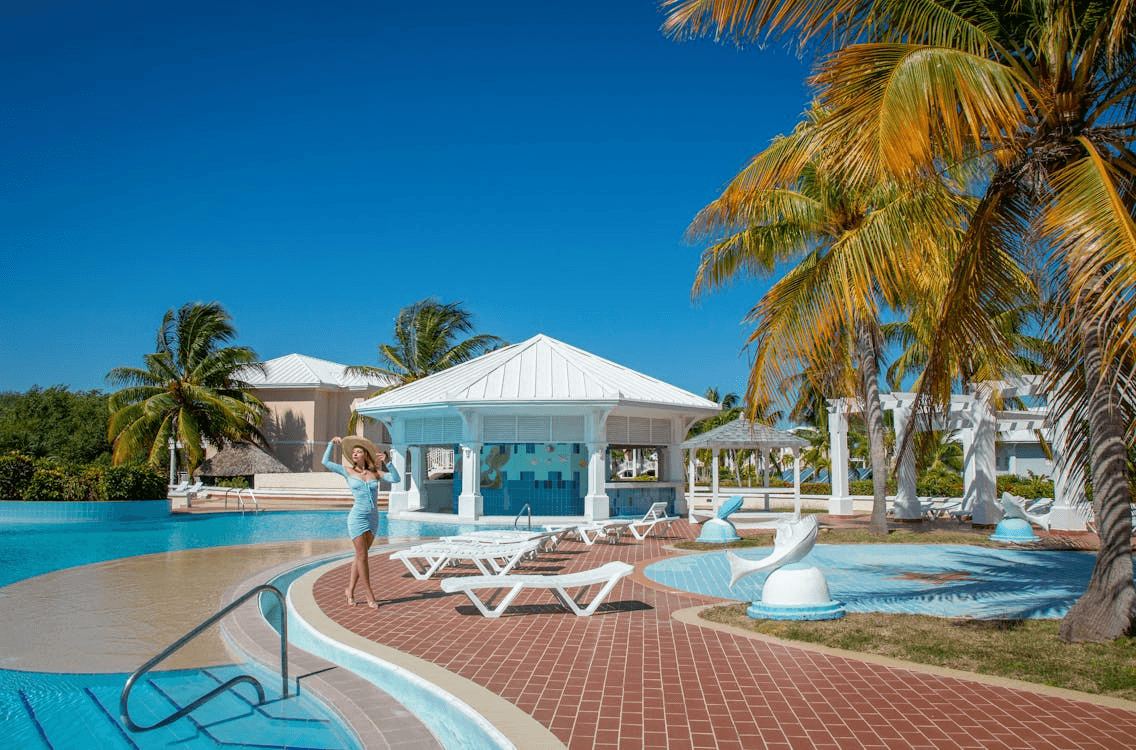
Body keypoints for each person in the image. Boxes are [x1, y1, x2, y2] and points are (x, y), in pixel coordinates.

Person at [322, 435, 400, 609]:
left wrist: (388, 462)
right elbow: (325, 461)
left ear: (365, 454)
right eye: (354, 452)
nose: (355, 454)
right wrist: (330, 444)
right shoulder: (347, 470)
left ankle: (349, 590)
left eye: (359, 451)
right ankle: (369, 593)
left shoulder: (374, 473)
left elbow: (396, 479)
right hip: (357, 518)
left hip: (373, 518)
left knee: (359, 557)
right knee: (363, 557)